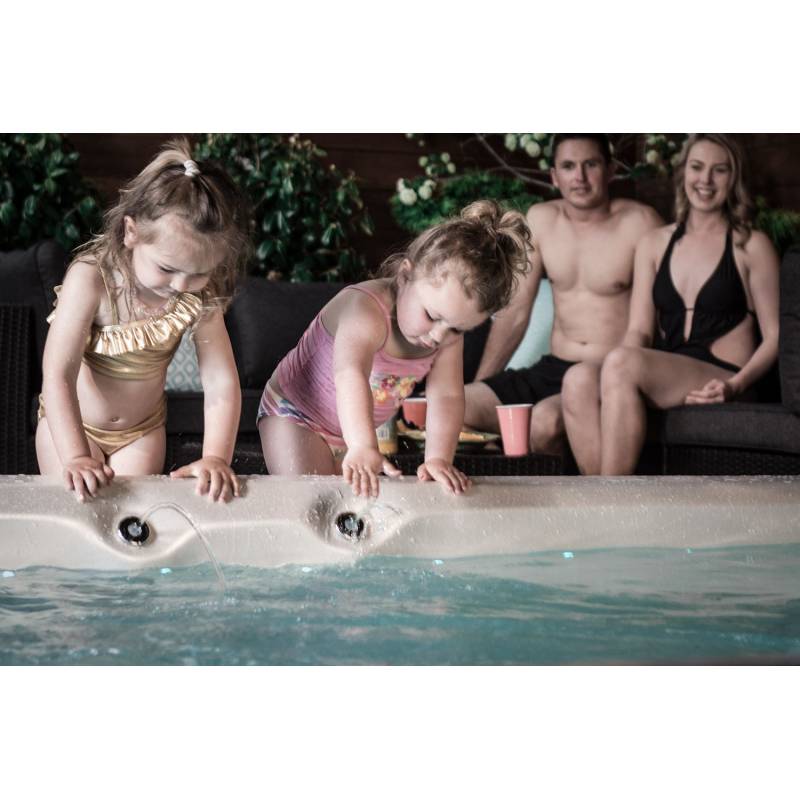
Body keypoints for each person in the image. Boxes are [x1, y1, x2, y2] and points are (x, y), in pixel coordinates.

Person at [258, 200, 531, 498]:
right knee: (311, 499)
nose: (438, 335)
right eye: (431, 316)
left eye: (457, 328)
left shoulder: (447, 335)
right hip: (296, 413)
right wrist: (363, 445)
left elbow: (447, 395)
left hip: (351, 431)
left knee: (352, 510)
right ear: (404, 276)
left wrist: (438, 458)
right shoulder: (366, 310)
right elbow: (350, 374)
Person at [36, 139, 252, 503]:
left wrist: (216, 457)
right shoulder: (91, 280)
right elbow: (59, 372)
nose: (180, 286)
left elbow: (220, 380)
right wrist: (75, 456)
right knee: (79, 510)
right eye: (167, 268)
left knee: (132, 518)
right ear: (131, 232)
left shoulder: (199, 295)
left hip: (142, 432)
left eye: (198, 273)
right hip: (74, 427)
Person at [561, 133, 780, 475]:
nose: (705, 180)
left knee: (620, 363)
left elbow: (775, 337)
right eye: (697, 167)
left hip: (725, 375)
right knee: (578, 379)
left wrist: (734, 386)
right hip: (673, 371)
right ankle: (606, 496)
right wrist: (611, 373)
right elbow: (639, 331)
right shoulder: (654, 244)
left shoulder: (751, 245)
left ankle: (609, 501)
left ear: (733, 178)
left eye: (719, 170)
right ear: (683, 173)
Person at [464, 134, 663, 454]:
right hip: (553, 367)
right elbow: (516, 313)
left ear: (610, 170)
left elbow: (653, 319)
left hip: (607, 372)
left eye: (590, 165)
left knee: (543, 423)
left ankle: (541, 470)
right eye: (569, 166)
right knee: (458, 405)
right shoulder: (542, 220)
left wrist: (623, 379)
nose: (579, 177)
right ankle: (510, 454)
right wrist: (482, 382)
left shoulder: (640, 223)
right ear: (555, 176)